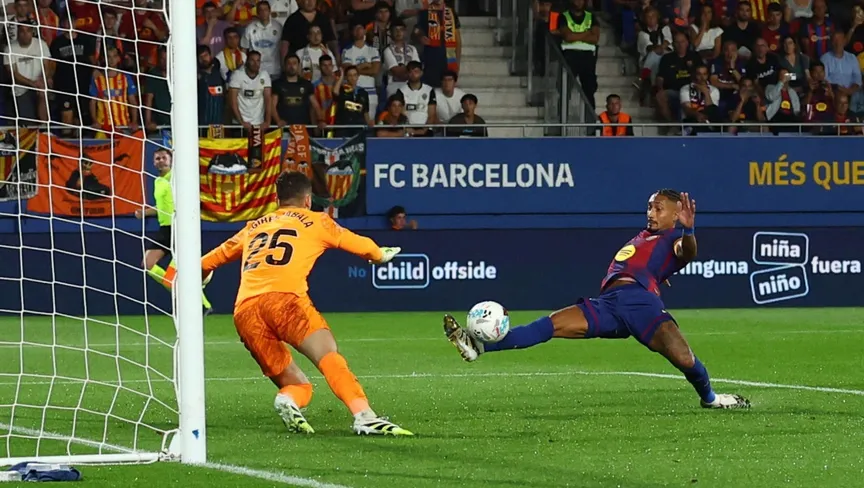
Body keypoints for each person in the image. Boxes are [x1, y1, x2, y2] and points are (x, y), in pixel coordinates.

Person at [442, 190, 751, 410]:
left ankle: (711, 399)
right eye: (649, 207)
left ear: (675, 214)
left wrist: (689, 229)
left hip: (641, 304)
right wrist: (656, 274)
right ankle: (479, 345)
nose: (651, 213)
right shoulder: (645, 236)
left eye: (658, 209)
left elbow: (688, 252)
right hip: (610, 303)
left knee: (684, 359)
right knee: (549, 326)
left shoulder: (674, 238)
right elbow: (650, 263)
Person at [200, 171, 413, 436]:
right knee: (328, 355)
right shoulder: (316, 221)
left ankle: (287, 399)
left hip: (245, 312)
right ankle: (364, 416)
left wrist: (202, 276)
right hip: (285, 302)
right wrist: (380, 255)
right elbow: (363, 247)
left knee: (298, 385)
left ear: (277, 199)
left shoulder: (253, 227)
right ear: (308, 200)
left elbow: (206, 262)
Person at [134, 149, 214, 314]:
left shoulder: (177, 178)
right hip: (165, 229)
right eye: (157, 158)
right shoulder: (158, 181)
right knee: (147, 265)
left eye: (164, 158)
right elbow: (162, 207)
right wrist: (145, 213)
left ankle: (203, 305)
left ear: (171, 161)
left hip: (179, 228)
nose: (160, 160)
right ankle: (193, 295)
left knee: (173, 278)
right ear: (153, 162)